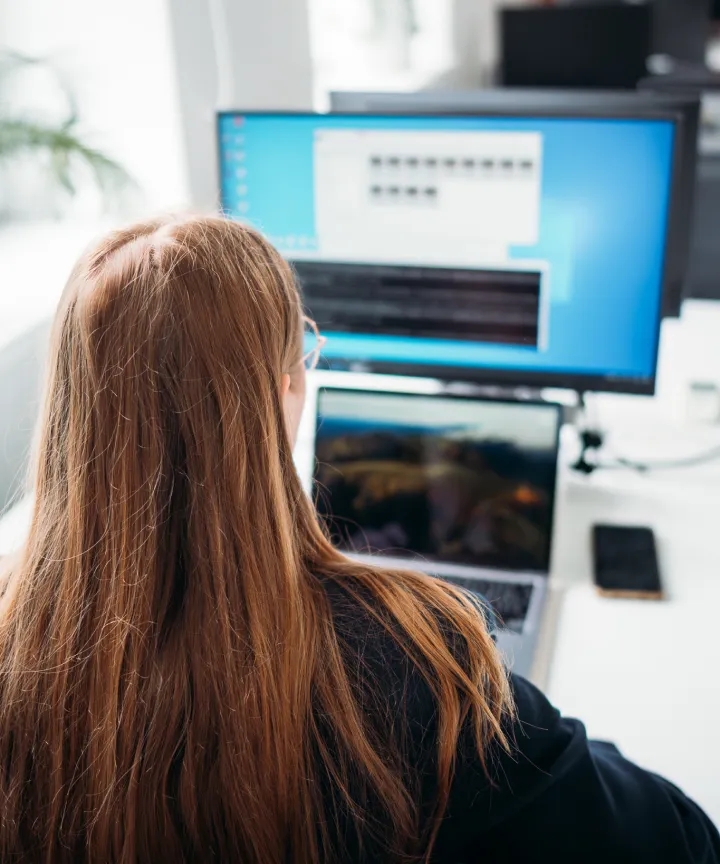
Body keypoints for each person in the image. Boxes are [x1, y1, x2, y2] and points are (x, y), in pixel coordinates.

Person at [0, 215, 716, 864]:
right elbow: (678, 841)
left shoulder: (15, 641)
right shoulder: (416, 665)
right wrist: (541, 731)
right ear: (282, 393)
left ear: (75, 404)